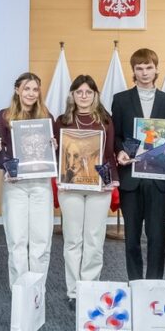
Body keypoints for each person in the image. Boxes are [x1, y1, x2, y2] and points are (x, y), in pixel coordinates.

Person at [111, 48, 165, 280]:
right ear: (133, 71)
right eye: (139, 68)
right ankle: (135, 283)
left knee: (157, 238)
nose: (144, 72)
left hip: (159, 179)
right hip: (131, 177)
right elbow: (117, 135)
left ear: (156, 69)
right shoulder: (120, 100)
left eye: (149, 67)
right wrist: (121, 150)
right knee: (131, 239)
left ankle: (154, 287)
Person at [57, 75, 117, 309]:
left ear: (95, 95)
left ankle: (89, 287)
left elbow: (110, 153)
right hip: (70, 186)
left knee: (94, 238)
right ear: (72, 95)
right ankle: (73, 291)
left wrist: (109, 180)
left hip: (98, 187)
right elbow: (58, 154)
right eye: (79, 92)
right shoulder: (62, 121)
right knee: (73, 239)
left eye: (88, 92)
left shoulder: (105, 120)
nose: (83, 96)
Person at [0, 72, 58, 287]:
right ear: (17, 90)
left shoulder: (47, 117)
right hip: (16, 186)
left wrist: (54, 148)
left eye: (35, 89)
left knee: (41, 243)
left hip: (41, 185)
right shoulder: (3, 117)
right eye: (26, 88)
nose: (31, 93)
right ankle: (20, 293)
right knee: (17, 243)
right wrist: (1, 157)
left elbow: (54, 155)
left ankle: (36, 293)